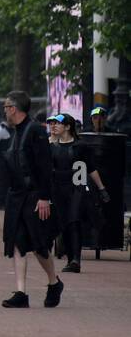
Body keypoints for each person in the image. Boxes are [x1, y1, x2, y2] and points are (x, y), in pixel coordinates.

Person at [0, 92, 64, 308]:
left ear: (15, 108)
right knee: (17, 243)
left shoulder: (35, 130)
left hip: (34, 196)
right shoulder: (16, 132)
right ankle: (21, 293)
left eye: (6, 106)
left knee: (39, 245)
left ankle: (54, 282)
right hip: (17, 196)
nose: (5, 110)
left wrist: (44, 197)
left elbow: (45, 166)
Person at [48, 113, 109, 274]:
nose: (54, 126)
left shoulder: (80, 146)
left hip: (76, 188)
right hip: (58, 190)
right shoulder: (52, 147)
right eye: (52, 123)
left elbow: (91, 168)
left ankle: (76, 259)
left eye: (58, 123)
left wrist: (101, 188)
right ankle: (70, 258)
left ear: (68, 127)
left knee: (74, 221)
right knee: (64, 224)